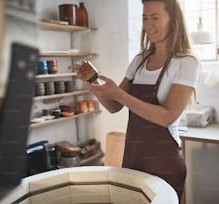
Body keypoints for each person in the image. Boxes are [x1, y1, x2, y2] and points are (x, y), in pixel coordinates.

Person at [76, 0, 200, 201]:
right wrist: (94, 85)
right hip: (134, 157)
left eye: (155, 17)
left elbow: (167, 117)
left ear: (173, 20)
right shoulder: (139, 61)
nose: (148, 24)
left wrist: (119, 94)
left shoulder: (186, 62)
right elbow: (114, 106)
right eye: (144, 17)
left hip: (164, 161)